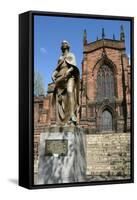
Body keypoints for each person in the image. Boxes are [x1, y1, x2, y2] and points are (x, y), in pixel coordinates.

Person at [52, 40, 80, 125]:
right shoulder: (60, 58)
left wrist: (68, 71)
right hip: (60, 78)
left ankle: (72, 115)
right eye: (62, 43)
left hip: (69, 77)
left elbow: (74, 66)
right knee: (60, 99)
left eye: (65, 43)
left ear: (68, 46)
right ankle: (61, 119)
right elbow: (57, 69)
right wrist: (53, 74)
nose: (63, 44)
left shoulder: (71, 55)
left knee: (70, 91)